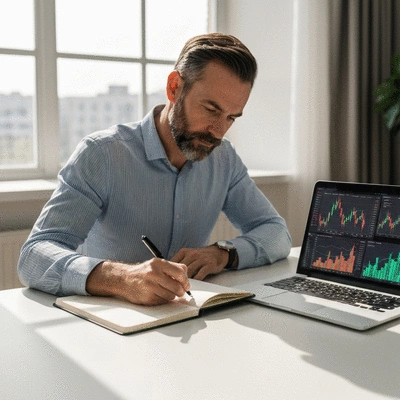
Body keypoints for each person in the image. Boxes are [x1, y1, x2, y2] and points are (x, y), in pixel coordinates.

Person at [18, 33, 292, 306]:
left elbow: (276, 232)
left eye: (231, 117)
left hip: (187, 321)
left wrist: (223, 254)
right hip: (109, 329)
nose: (218, 132)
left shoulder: (224, 159)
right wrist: (122, 277)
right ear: (174, 88)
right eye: (210, 109)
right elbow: (33, 256)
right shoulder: (101, 154)